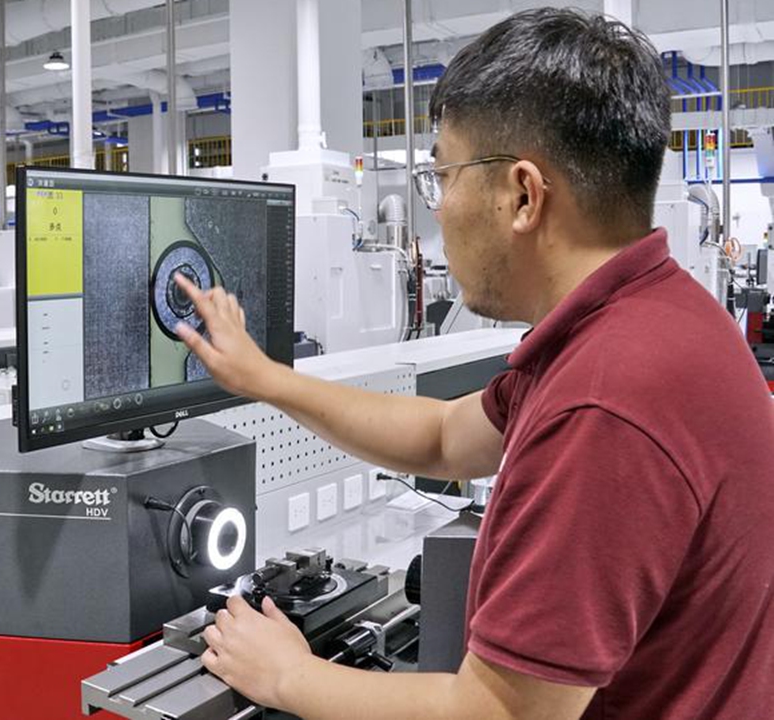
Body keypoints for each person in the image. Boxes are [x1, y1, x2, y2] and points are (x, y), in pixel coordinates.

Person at [172, 8, 774, 720]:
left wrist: (287, 678)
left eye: (441, 177)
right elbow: (442, 437)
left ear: (522, 195)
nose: (439, 208)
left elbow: (504, 713)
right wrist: (266, 379)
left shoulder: (607, 401)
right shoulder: (649, 318)